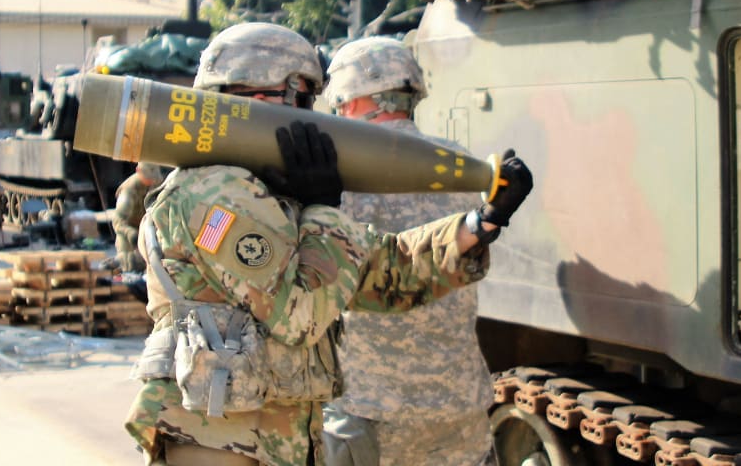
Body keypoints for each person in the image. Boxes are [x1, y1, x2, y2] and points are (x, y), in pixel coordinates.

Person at [124, 23, 533, 466]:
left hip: (277, 440)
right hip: (221, 444)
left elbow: (380, 269)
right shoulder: (209, 195)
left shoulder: (268, 191)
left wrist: (480, 224)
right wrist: (323, 209)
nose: (313, 115)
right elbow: (299, 315)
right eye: (304, 101)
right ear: (271, 96)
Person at [319, 36, 494, 466]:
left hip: (369, 414)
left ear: (352, 99)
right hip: (460, 408)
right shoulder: (458, 162)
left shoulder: (334, 173)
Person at [111, 161, 164, 273]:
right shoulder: (128, 190)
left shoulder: (157, 183)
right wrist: (130, 233)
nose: (152, 181)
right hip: (129, 232)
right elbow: (118, 221)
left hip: (148, 228)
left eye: (153, 178)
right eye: (148, 178)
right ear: (138, 172)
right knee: (128, 262)